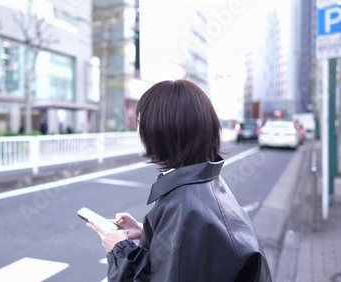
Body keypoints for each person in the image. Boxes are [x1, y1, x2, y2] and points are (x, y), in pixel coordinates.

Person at [86, 80, 271, 282]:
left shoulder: (185, 207)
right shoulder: (205, 183)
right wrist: (149, 235)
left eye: (141, 122)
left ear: (160, 131)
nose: (138, 130)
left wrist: (120, 251)